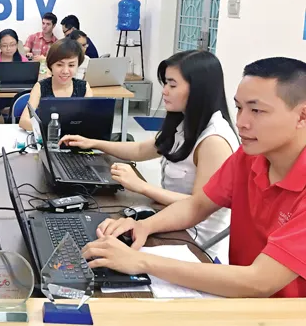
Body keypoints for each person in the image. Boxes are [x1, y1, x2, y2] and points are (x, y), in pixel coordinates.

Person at [80, 57, 306, 298]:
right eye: (239, 108)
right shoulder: (249, 157)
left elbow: (259, 281)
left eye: (257, 111)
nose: (241, 123)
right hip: (240, 298)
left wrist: (141, 261)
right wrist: (143, 226)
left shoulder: (223, 141)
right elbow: (198, 204)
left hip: (282, 311)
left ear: (302, 116)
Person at [60, 50, 238, 260]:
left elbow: (198, 205)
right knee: (99, 230)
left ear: (199, 89)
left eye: (172, 85)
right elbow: (139, 150)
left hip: (193, 241)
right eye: (165, 84)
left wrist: (141, 186)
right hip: (168, 219)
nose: (164, 91)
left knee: (104, 248)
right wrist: (94, 143)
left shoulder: (214, 141)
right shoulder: (183, 121)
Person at [19, 39, 93, 131]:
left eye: (71, 65)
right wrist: (52, 131)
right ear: (51, 65)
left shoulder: (84, 87)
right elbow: (24, 121)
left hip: (76, 138)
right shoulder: (41, 87)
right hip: (49, 137)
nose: (65, 71)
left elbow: (91, 120)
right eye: (59, 65)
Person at [0, 29, 29, 121]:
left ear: (17, 45)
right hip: (0, 95)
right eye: (4, 45)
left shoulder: (24, 60)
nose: (8, 48)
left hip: (19, 94)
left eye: (12, 45)